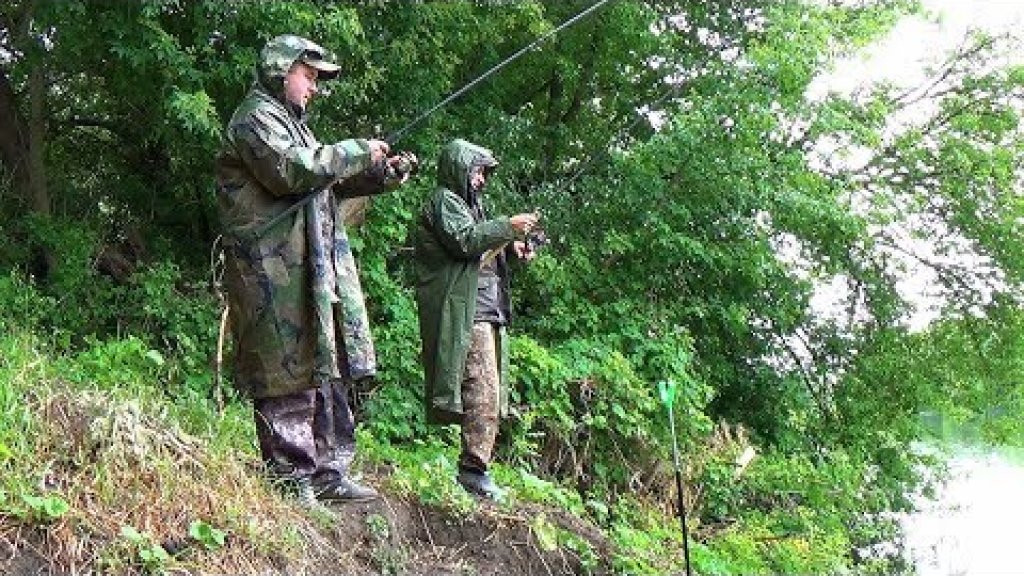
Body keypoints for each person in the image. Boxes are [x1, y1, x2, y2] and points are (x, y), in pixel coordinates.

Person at [214, 34, 415, 504]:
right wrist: (358, 149)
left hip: (310, 267)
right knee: (285, 369)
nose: (315, 87)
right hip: (270, 273)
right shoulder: (255, 119)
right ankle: (291, 479)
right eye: (309, 76)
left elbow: (326, 185)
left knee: (326, 363)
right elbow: (295, 171)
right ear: (280, 71)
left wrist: (381, 174)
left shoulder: (292, 123)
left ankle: (328, 473)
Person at [412, 139, 538, 500]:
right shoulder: (444, 201)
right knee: (482, 390)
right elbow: (464, 242)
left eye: (484, 173)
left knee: (490, 392)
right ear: (460, 169)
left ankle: (476, 468)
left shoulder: (471, 207)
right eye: (477, 171)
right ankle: (473, 472)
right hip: (468, 311)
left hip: (485, 309)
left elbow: (479, 253)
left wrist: (512, 250)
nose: (482, 179)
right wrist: (508, 226)